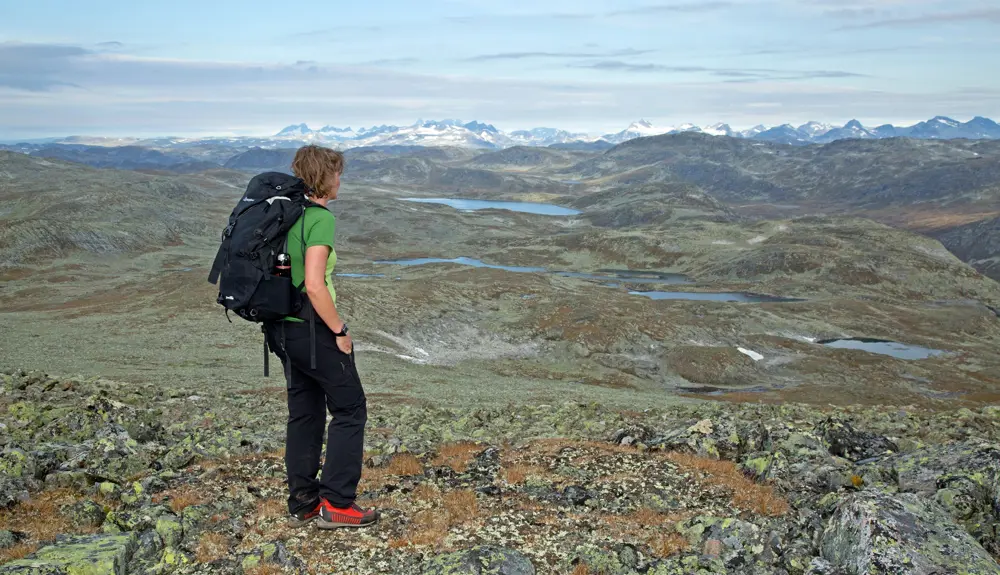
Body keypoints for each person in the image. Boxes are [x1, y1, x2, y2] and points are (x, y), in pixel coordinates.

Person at [264, 144, 377, 530]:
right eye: (337, 173)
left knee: (305, 412)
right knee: (349, 409)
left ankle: (304, 503)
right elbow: (314, 284)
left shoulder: (283, 214)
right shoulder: (318, 219)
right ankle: (338, 503)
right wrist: (340, 331)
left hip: (281, 330)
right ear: (325, 177)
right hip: (312, 331)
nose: (340, 180)